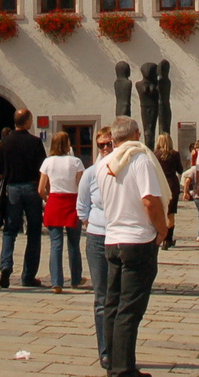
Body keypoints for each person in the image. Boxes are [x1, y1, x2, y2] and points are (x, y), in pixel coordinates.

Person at [99, 116, 168, 377]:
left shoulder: (104, 163)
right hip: (138, 239)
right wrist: (162, 229)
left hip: (112, 238)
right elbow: (150, 200)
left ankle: (113, 363)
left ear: (113, 138)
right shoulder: (140, 160)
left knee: (113, 305)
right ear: (137, 134)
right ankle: (123, 369)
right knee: (129, 309)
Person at [0, 107, 47, 286]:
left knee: (10, 230)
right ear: (28, 121)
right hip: (32, 188)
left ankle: (5, 266)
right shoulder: (35, 142)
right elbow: (43, 169)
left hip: (13, 189)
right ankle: (28, 276)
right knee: (34, 231)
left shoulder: (5, 142)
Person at [78, 127, 114, 369]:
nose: (105, 148)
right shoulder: (90, 173)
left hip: (120, 237)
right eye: (101, 145)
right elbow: (82, 206)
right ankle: (105, 351)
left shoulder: (121, 170)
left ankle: (120, 349)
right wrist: (91, 224)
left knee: (118, 297)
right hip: (97, 238)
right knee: (102, 297)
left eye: (109, 144)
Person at [39, 130, 85, 292]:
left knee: (56, 244)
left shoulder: (47, 162)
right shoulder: (76, 162)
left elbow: (41, 189)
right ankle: (76, 279)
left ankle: (56, 282)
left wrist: (47, 199)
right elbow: (80, 184)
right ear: (67, 144)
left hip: (54, 201)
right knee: (74, 243)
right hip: (71, 201)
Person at [152, 132, 183, 245]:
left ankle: (159, 236)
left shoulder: (155, 155)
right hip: (172, 184)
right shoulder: (174, 154)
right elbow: (180, 170)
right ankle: (168, 240)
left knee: (160, 211)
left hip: (159, 184)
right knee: (171, 213)